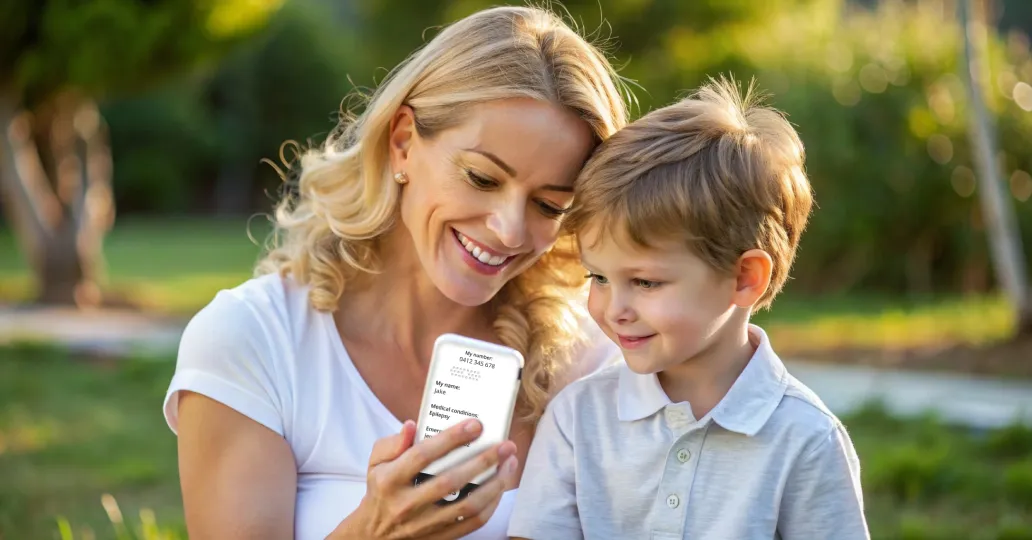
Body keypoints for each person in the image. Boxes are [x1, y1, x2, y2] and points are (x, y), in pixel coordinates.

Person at [161, 6, 629, 540]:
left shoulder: (594, 360)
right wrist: (372, 530)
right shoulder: (256, 341)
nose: (508, 230)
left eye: (549, 205)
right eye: (481, 178)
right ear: (403, 140)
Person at [508, 76, 870, 540]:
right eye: (597, 277)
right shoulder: (576, 420)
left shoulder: (807, 440)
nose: (613, 308)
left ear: (745, 279)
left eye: (645, 282)